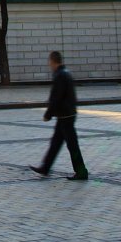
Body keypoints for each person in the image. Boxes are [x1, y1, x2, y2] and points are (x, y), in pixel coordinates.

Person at [30, 51, 89, 180]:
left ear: (53, 61)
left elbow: (56, 98)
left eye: (49, 61)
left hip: (65, 116)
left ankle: (81, 171)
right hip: (67, 115)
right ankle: (45, 167)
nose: (49, 64)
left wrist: (48, 114)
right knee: (56, 143)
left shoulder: (60, 75)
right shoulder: (66, 73)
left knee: (72, 145)